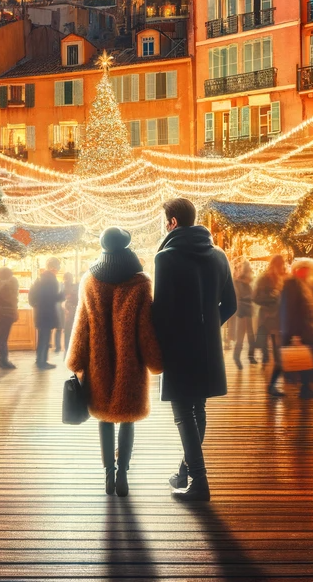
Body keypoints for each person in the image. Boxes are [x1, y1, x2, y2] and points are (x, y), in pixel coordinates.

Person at [67, 227, 163, 497]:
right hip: (129, 363)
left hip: (98, 362)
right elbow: (145, 328)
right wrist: (155, 361)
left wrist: (76, 359)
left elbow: (81, 324)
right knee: (128, 418)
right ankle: (123, 475)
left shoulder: (89, 281)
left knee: (104, 418)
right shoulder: (141, 283)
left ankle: (108, 475)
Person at [152, 197, 236, 503]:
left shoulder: (167, 257)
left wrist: (155, 346)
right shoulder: (219, 256)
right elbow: (231, 304)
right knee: (197, 409)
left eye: (165, 221)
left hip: (177, 346)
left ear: (172, 222)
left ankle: (200, 483)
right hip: (207, 347)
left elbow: (161, 310)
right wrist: (208, 328)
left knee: (182, 414)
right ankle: (185, 472)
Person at [270, 257, 313, 399]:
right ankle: (273, 385)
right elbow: (289, 310)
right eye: (307, 270)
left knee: (303, 359)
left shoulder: (300, 284)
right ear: (300, 270)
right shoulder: (291, 285)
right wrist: (294, 334)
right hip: (294, 331)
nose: (309, 273)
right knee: (285, 360)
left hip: (299, 330)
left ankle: (305, 388)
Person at [28, 257, 64, 369]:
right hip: (47, 313)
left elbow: (31, 297)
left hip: (39, 313)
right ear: (54, 268)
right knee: (45, 338)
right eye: (57, 268)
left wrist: (36, 305)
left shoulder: (39, 279)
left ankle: (39, 359)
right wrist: (63, 294)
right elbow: (52, 298)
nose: (57, 270)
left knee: (42, 337)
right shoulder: (51, 280)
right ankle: (42, 362)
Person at [254, 254, 286, 367]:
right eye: (280, 265)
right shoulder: (264, 279)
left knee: (277, 347)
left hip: (278, 316)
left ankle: (275, 370)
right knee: (265, 348)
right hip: (267, 316)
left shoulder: (285, 277)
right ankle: (268, 372)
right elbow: (256, 297)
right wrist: (273, 297)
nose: (282, 267)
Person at [232, 260, 257, 369]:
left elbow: (253, 296)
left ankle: (250, 356)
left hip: (247, 311)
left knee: (250, 335)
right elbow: (239, 297)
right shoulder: (238, 283)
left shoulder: (249, 284)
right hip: (242, 311)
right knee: (241, 335)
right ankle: (237, 356)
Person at [62, 271, 79, 355]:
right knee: (72, 331)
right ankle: (71, 349)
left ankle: (67, 349)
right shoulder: (74, 287)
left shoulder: (63, 286)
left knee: (68, 331)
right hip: (73, 311)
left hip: (69, 312)